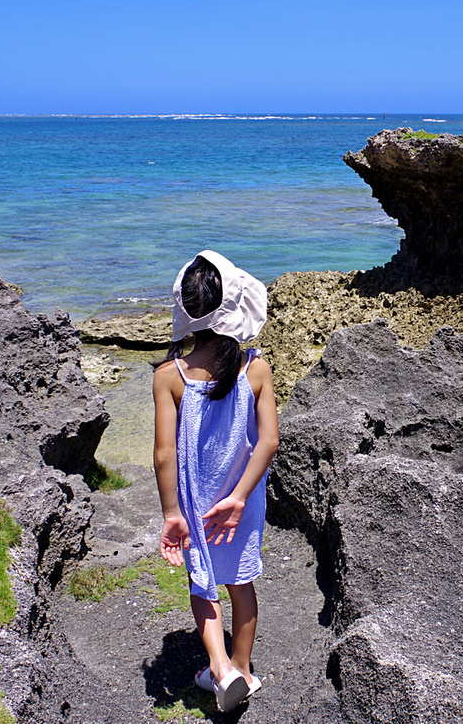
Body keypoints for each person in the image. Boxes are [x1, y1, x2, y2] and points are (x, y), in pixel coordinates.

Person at [151, 250, 278, 713]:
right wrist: (240, 497)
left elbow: (165, 453)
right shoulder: (255, 368)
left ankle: (221, 670)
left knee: (202, 584)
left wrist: (171, 514)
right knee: (241, 583)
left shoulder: (171, 376)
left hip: (197, 501)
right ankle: (243, 669)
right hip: (241, 501)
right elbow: (268, 443)